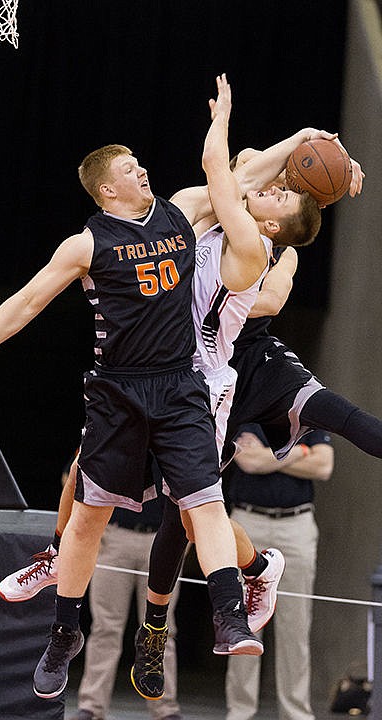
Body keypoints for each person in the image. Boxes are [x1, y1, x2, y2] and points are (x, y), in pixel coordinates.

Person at [0, 74, 346, 702]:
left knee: (202, 506)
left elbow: (239, 178)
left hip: (184, 382)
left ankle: (229, 615)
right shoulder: (87, 244)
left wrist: (298, 140)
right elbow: (26, 300)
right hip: (119, 388)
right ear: (108, 187)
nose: (142, 170)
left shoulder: (182, 211)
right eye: (131, 168)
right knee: (85, 516)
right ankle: (62, 632)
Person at [130, 77, 367, 701]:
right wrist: (320, 157)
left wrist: (303, 168)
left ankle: (172, 622)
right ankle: (68, 597)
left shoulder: (250, 238)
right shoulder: (216, 208)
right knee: (85, 478)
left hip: (211, 371)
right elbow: (252, 172)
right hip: (152, 362)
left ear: (274, 217)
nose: (273, 186)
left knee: (191, 506)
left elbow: (233, 171)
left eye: (283, 194)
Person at [224, 424, 334, 720]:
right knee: (244, 622)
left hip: (295, 524)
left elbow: (324, 466)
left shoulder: (309, 415)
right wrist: (301, 451)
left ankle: (296, 712)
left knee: (295, 625)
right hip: (249, 522)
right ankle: (240, 710)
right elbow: (249, 462)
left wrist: (268, 457)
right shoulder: (248, 410)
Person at [71, 457, 182, 720]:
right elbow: (74, 475)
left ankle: (165, 709)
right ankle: (92, 706)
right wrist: (91, 528)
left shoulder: (177, 430)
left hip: (162, 538)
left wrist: (182, 539)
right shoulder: (119, 426)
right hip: (115, 536)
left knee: (163, 630)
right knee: (105, 626)